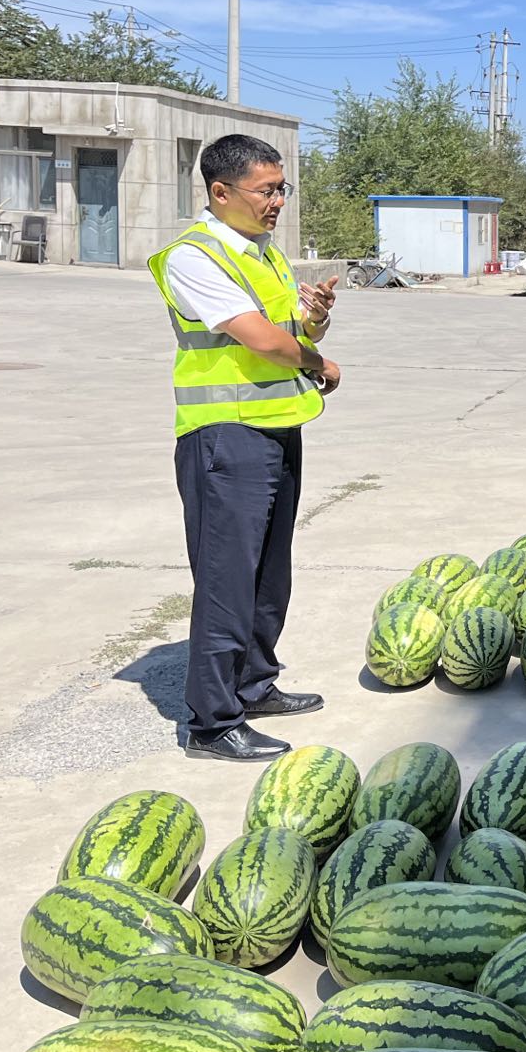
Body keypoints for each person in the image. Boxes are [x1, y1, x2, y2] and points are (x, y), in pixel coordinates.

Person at [146, 135, 340, 762]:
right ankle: (212, 721)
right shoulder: (193, 257)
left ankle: (254, 685)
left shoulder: (263, 254)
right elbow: (259, 338)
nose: (278, 201)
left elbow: (291, 330)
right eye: (266, 190)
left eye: (282, 188)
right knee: (227, 578)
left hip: (276, 427)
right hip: (224, 436)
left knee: (267, 573)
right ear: (220, 191)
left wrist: (315, 318)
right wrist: (318, 361)